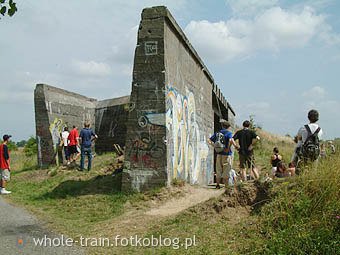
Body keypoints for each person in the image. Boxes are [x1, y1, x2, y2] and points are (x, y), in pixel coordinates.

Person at [209, 119, 237, 189]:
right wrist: (234, 146)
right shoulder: (229, 133)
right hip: (226, 155)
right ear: (228, 127)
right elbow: (231, 140)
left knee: (218, 169)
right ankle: (226, 186)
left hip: (219, 154)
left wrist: (214, 146)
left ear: (222, 126)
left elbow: (209, 140)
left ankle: (217, 184)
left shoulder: (218, 133)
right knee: (226, 170)